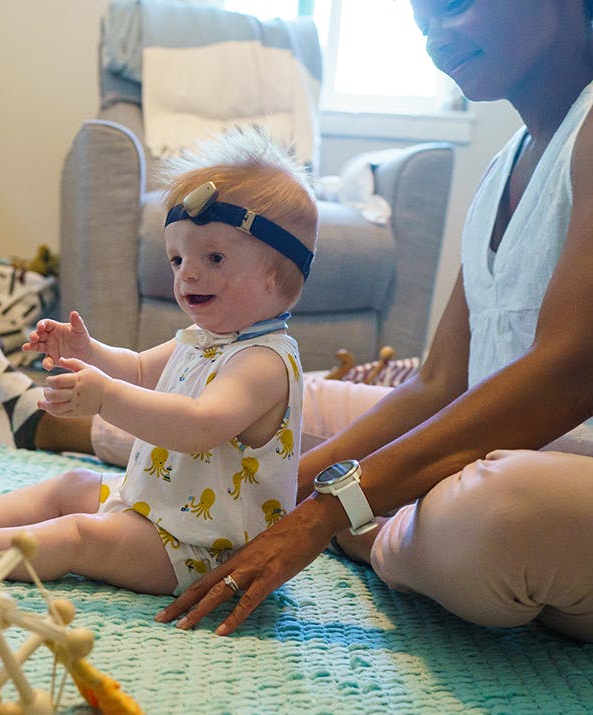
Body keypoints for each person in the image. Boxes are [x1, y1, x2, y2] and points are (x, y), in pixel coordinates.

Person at [153, 0, 593, 641]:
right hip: (497, 445)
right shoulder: (506, 165)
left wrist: (327, 510)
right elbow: (440, 382)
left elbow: (568, 374)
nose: (433, 37)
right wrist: (284, 488)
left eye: (455, 7)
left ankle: (381, 530)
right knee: (262, 396)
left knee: (495, 515)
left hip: (547, 480)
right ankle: (65, 421)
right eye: (420, 22)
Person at [0, 129, 318, 596]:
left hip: (202, 551)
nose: (188, 274)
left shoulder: (262, 362)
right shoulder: (203, 340)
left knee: (84, 535)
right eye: (177, 259)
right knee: (73, 484)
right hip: (157, 509)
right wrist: (88, 353)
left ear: (278, 275)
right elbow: (139, 369)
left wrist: (104, 397)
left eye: (214, 257)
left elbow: (199, 425)